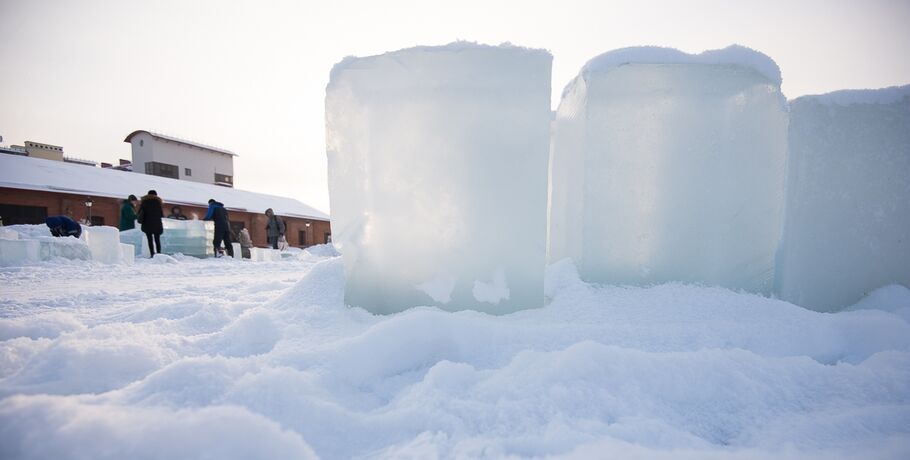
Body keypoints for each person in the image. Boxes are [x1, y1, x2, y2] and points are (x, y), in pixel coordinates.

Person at [137, 190, 164, 257]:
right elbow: (161, 214)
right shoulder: (158, 202)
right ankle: (159, 253)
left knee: (150, 240)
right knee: (157, 239)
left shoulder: (144, 202)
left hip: (147, 223)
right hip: (157, 223)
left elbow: (140, 212)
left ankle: (152, 254)